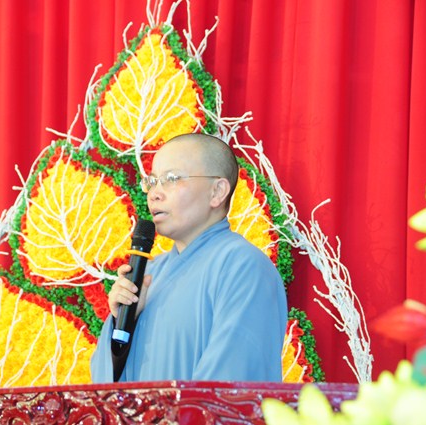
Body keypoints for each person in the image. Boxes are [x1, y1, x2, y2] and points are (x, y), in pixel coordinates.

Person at [90, 133, 288, 382]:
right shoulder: (149, 274)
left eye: (171, 179)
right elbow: (103, 385)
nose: (154, 194)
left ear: (217, 192)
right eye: (152, 181)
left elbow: (229, 384)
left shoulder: (243, 267)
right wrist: (124, 322)